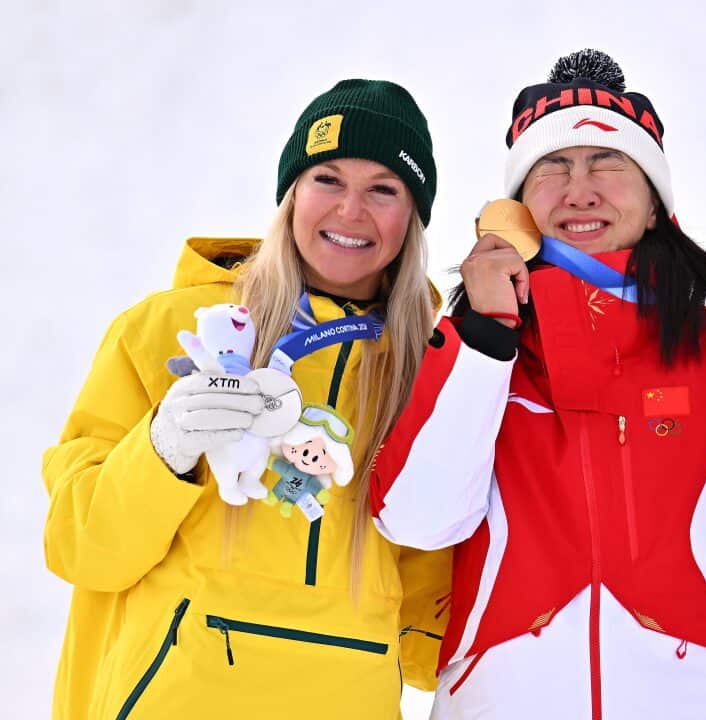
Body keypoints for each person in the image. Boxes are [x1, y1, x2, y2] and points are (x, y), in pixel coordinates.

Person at [369, 49, 706, 719]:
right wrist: (486, 334)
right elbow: (418, 521)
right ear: (514, 210)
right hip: (504, 696)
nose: (580, 190)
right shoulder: (469, 348)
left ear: (657, 206)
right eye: (552, 168)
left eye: (608, 163)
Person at [42, 79, 451, 719]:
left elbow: (433, 632)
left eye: (383, 189)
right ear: (289, 195)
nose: (350, 211)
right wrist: (163, 448)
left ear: (413, 216)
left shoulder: (434, 368)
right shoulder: (165, 331)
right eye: (327, 179)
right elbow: (84, 547)